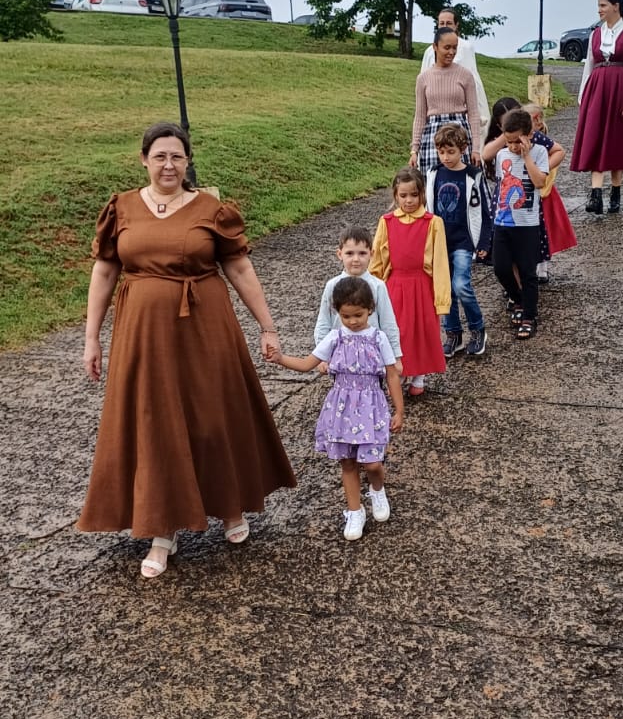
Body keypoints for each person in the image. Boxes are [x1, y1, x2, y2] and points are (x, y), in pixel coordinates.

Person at [78, 121, 296, 578]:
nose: (168, 165)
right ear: (144, 159)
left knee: (213, 416)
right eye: (160, 156)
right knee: (155, 424)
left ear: (187, 160)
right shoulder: (122, 208)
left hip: (205, 327)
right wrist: (91, 336)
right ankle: (162, 529)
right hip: (142, 335)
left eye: (177, 156)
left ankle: (230, 506)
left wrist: (268, 327)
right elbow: (105, 272)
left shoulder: (211, 209)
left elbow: (239, 268)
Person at [266, 276, 404, 542]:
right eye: (346, 316)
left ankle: (377, 489)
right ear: (337, 312)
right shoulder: (335, 337)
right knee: (348, 462)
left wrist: (399, 410)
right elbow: (307, 364)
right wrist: (280, 358)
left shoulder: (378, 338)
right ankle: (354, 511)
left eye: (358, 315)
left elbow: (391, 375)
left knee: (372, 462)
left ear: (370, 309)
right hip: (341, 408)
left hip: (371, 407)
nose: (352, 321)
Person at [370, 167, 450, 397]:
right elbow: (377, 259)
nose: (408, 200)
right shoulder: (386, 221)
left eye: (414, 195)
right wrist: (372, 290)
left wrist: (442, 299)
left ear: (422, 194)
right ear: (395, 195)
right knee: (397, 330)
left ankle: (419, 376)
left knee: (422, 330)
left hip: (422, 285)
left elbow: (440, 263)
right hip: (395, 285)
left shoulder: (433, 222)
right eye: (403, 195)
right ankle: (400, 372)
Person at [570, 0, 623, 215]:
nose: (599, 10)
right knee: (594, 137)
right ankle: (595, 196)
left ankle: (615, 192)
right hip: (597, 89)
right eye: (599, 5)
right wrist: (583, 95)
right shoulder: (596, 34)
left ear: (616, 6)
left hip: (621, 89)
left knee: (616, 140)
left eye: (603, 5)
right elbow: (589, 65)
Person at [483, 102, 575, 282]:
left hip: (527, 199)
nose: (513, 145)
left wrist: (542, 169)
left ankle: (527, 283)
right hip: (505, 200)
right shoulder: (504, 139)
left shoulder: (533, 138)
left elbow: (559, 151)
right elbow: (486, 154)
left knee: (526, 246)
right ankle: (515, 287)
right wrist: (506, 137)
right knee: (505, 251)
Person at [425, 122, 493, 358]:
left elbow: (484, 211)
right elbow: (428, 208)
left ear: (463, 149)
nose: (446, 157)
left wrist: (484, 242)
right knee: (445, 291)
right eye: (441, 152)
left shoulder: (473, 175)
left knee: (461, 285)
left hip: (464, 241)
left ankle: (478, 329)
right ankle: (453, 334)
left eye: (451, 152)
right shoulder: (433, 174)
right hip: (440, 242)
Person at [492, 108, 549, 341]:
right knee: (500, 267)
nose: (513, 147)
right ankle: (518, 299)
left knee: (527, 271)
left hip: (527, 224)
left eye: (518, 141)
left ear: (529, 135)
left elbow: (539, 182)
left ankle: (529, 316)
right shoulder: (501, 155)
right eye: (509, 142)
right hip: (503, 221)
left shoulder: (539, 152)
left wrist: (526, 157)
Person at [314, 224, 402, 371]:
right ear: (339, 254)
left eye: (362, 253)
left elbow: (388, 323)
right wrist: (321, 356)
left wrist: (396, 357)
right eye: (349, 253)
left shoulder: (378, 286)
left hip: (372, 356)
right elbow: (324, 321)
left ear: (371, 254)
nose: (356, 259)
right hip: (340, 355)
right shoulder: (332, 286)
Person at [411, 27, 481, 176]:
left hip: (459, 134)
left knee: (462, 180)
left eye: (455, 48)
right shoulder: (423, 78)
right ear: (435, 47)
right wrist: (414, 150)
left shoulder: (465, 75)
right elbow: (420, 116)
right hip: (432, 136)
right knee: (433, 181)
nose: (451, 52)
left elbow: (474, 113)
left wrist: (476, 148)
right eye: (447, 47)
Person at [420, 8, 490, 134]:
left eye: (448, 23)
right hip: (435, 113)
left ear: (456, 25)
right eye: (441, 23)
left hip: (459, 110)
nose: (444, 26)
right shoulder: (429, 51)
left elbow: (471, 80)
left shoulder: (465, 47)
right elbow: (423, 83)